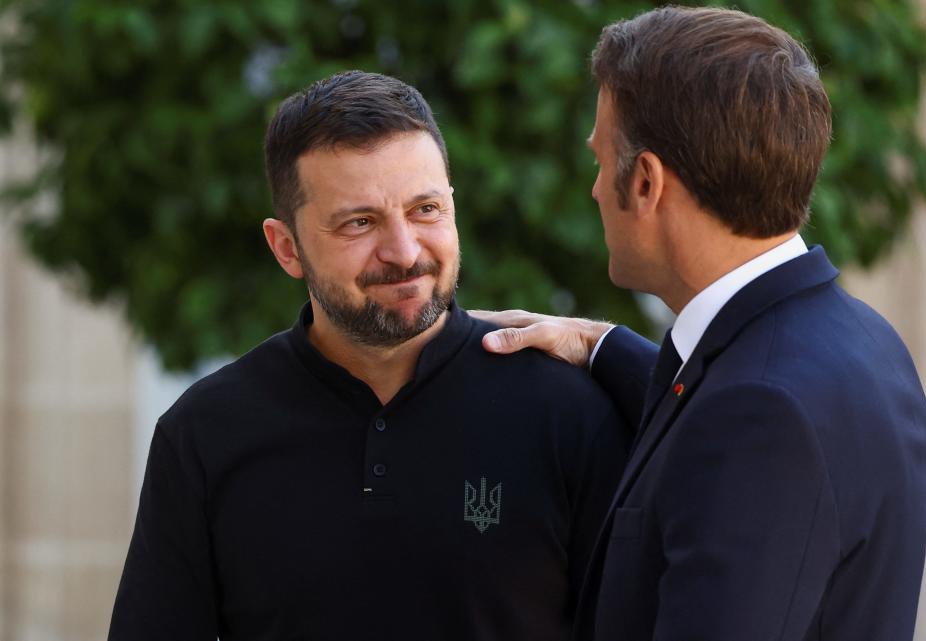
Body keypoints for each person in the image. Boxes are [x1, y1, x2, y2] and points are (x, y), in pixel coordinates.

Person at [108, 71, 629, 641]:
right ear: (287, 248)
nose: (404, 252)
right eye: (359, 222)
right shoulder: (204, 435)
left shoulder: (567, 413)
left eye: (425, 209)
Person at [478, 7, 926, 641]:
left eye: (599, 160)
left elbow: (747, 425)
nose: (592, 189)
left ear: (645, 182)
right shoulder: (860, 338)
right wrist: (601, 344)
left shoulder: (761, 412)